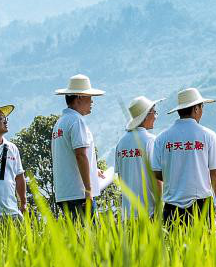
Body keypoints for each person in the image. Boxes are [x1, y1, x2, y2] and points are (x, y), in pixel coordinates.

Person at [152, 88, 216, 223]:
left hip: (171, 207)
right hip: (201, 205)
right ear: (196, 109)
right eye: (202, 107)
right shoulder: (208, 136)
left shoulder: (162, 138)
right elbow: (215, 173)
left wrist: (175, 177)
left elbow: (156, 172)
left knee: (174, 243)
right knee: (203, 244)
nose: (202, 111)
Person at [51, 74, 105, 220]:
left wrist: (94, 170)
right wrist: (88, 190)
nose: (92, 101)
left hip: (65, 193)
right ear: (80, 97)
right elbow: (80, 154)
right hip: (79, 194)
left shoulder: (60, 122)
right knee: (90, 239)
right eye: (89, 96)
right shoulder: (76, 121)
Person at [114, 96, 163, 221]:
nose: (156, 116)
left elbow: (120, 178)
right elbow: (157, 177)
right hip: (149, 212)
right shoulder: (150, 141)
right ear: (146, 115)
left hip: (127, 213)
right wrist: (159, 208)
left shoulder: (121, 143)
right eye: (154, 112)